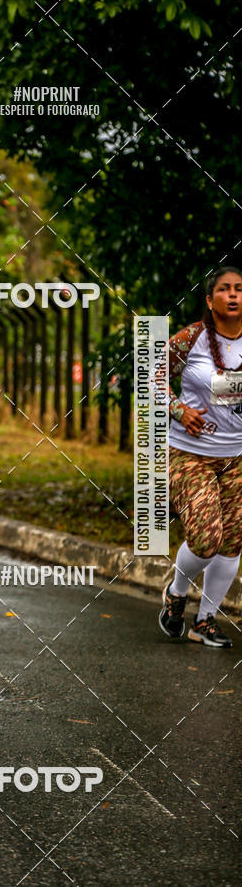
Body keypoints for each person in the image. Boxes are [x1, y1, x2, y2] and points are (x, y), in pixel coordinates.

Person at [159, 266, 242, 648]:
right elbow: (151, 375)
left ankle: (205, 620)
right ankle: (176, 593)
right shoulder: (191, 338)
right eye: (224, 289)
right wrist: (178, 410)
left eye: (239, 289)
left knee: (232, 542)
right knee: (207, 537)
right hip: (190, 454)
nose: (233, 295)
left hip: (236, 458)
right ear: (210, 301)